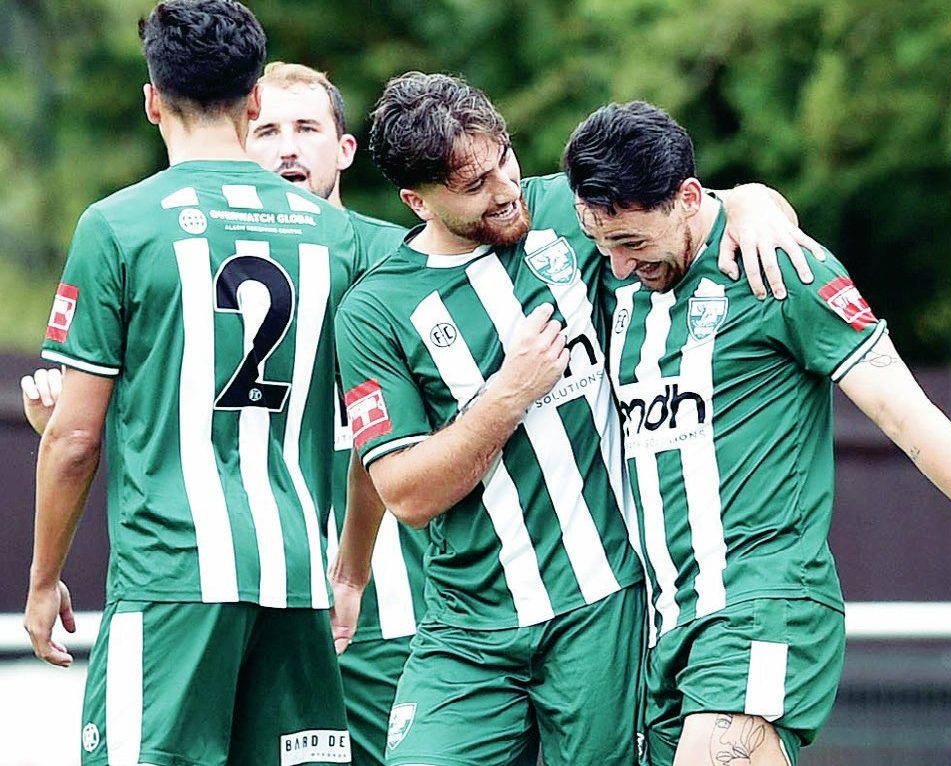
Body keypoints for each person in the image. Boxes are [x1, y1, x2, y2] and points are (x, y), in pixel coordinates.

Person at [562, 101, 951, 766]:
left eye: (632, 244)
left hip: (762, 601)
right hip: (664, 628)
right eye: (603, 245)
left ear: (689, 198)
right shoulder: (620, 274)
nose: (620, 265)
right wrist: (751, 195)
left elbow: (906, 414)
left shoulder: (781, 269)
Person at [335, 72, 818, 765]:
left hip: (605, 607)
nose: (504, 189)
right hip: (466, 629)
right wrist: (508, 394)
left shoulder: (566, 211)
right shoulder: (373, 311)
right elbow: (407, 494)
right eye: (473, 187)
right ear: (418, 200)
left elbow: (688, 207)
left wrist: (755, 201)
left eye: (503, 158)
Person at [24, 1, 365, 763]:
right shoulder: (336, 235)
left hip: (173, 577)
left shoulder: (118, 225)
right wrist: (352, 569)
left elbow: (74, 439)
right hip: (296, 579)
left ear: (151, 98)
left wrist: (43, 579)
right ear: (254, 103)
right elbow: (366, 431)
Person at [249, 60, 425, 766]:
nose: (287, 148)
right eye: (266, 129)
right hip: (263, 603)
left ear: (345, 149)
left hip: (399, 607)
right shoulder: (205, 264)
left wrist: (749, 201)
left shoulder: (406, 255)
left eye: (306, 128)